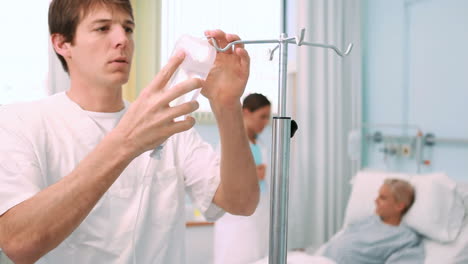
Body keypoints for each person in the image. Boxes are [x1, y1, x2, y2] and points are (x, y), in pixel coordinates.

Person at [0, 0, 259, 263]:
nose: (122, 39)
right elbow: (19, 243)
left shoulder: (167, 124)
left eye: (128, 28)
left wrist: (227, 106)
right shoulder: (21, 122)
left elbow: (241, 202)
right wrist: (125, 144)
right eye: (102, 28)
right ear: (62, 43)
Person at [214, 93, 271, 264]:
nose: (266, 122)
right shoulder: (230, 142)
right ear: (246, 113)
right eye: (262, 117)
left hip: (259, 218)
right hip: (236, 224)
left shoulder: (260, 145)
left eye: (268, 117)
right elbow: (219, 179)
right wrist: (250, 174)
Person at [322, 179, 425, 264]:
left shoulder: (405, 238)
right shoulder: (369, 220)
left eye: (383, 198)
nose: (375, 201)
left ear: (399, 206)